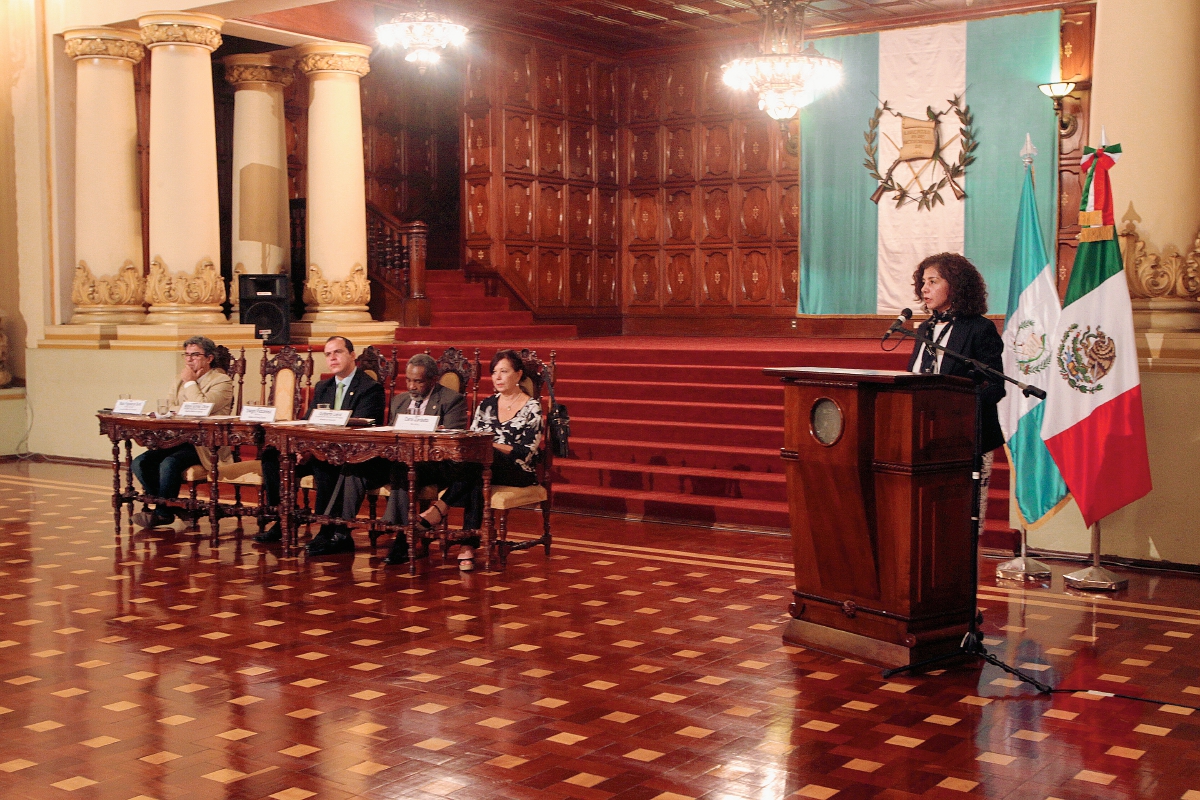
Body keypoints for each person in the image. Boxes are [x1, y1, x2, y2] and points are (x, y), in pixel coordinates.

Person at [324, 353, 468, 566]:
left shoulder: (451, 400)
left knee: (404, 469)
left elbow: (454, 444)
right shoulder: (399, 401)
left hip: (433, 464)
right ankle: (340, 529)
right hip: (398, 459)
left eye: (418, 381)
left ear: (432, 380)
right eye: (408, 380)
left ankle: (403, 538)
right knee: (355, 464)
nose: (412, 386)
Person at [255, 336, 386, 554]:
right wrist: (301, 449)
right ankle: (283, 518)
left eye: (338, 352)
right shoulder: (323, 386)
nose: (332, 358)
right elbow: (308, 421)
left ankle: (327, 531)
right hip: (317, 450)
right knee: (271, 457)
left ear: (352, 356)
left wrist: (316, 450)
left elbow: (364, 430)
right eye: (328, 354)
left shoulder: (370, 388)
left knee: (324, 464)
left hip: (348, 455)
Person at [907, 252, 1006, 532]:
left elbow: (995, 386)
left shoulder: (979, 328)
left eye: (933, 281)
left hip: (964, 438)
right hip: (922, 437)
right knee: (926, 524)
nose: (924, 288)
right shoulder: (924, 329)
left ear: (955, 285)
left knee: (961, 527)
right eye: (923, 282)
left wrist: (955, 410)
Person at [419, 349, 543, 571]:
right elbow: (472, 442)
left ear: (518, 374)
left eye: (504, 372)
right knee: (478, 469)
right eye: (494, 372)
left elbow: (524, 452)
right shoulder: (486, 405)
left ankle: (441, 507)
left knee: (483, 457)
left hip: (518, 470)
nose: (497, 377)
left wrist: (490, 444)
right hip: (482, 466)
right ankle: (468, 545)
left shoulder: (532, 407)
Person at [131, 336, 234, 528]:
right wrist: (183, 403)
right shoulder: (179, 379)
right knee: (140, 462)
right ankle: (171, 506)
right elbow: (170, 407)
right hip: (177, 439)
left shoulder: (222, 381)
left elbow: (203, 407)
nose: (189, 360)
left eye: (195, 355)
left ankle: (162, 513)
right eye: (186, 355)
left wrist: (190, 384)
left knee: (169, 464)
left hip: (206, 444)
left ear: (209, 358)